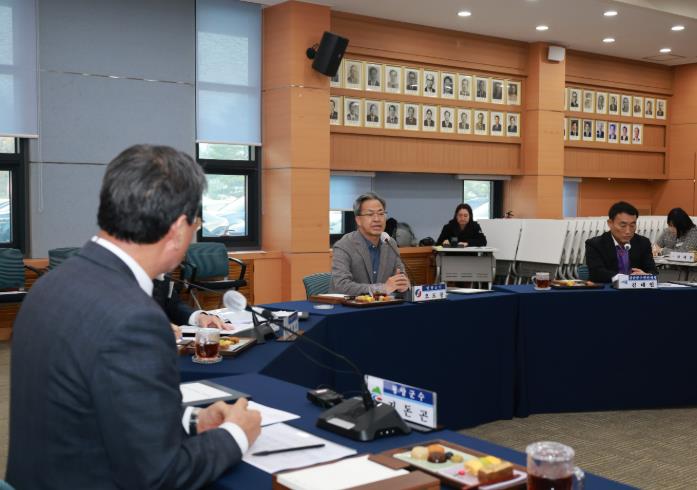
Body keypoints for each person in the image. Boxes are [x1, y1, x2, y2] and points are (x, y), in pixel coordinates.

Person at [7, 145, 261, 488]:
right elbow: (160, 476)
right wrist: (235, 435)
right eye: (196, 224)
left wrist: (192, 420)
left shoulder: (51, 284)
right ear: (178, 229)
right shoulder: (135, 320)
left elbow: (96, 407)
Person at [330, 192, 410, 296]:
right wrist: (381, 289)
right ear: (358, 220)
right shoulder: (344, 246)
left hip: (383, 304)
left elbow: (401, 275)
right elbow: (341, 286)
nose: (377, 219)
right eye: (370, 214)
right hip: (349, 304)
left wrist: (403, 284)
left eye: (381, 214)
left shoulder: (390, 243)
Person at [585, 201, 657, 282]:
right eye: (623, 226)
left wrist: (647, 276)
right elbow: (596, 273)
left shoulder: (643, 243)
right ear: (610, 223)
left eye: (632, 225)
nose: (628, 231)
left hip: (636, 288)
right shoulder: (595, 244)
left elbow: (653, 271)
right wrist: (625, 278)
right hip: (607, 288)